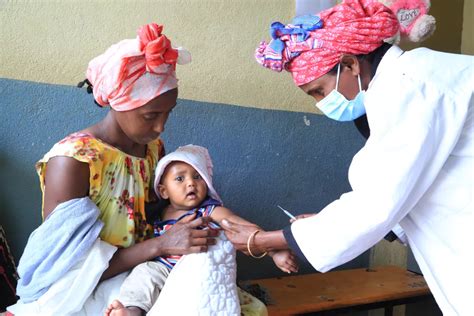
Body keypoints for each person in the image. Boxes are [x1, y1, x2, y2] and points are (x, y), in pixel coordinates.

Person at [221, 0, 473, 315]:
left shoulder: (414, 84)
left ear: (351, 64)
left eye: (318, 91)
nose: (320, 104)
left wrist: (263, 241)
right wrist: (321, 225)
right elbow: (407, 188)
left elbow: (377, 203)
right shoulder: (400, 87)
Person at [7, 23, 256, 315]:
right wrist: (160, 245)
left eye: (168, 113)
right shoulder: (74, 160)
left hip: (145, 274)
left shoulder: (153, 150)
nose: (161, 126)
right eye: (150, 115)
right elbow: (64, 271)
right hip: (83, 292)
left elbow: (155, 218)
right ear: (118, 103)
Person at [105, 144, 298, 316]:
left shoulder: (210, 211)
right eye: (180, 178)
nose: (190, 183)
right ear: (164, 191)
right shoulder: (159, 216)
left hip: (198, 273)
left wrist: (274, 251)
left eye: (197, 177)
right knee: (143, 273)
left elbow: (243, 228)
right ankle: (131, 310)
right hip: (164, 271)